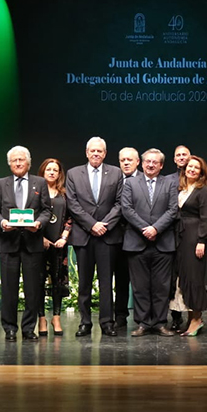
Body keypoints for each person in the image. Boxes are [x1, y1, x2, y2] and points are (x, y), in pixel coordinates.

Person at [65, 137, 124, 337]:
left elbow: (120, 203)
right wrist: (92, 225)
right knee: (84, 283)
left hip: (107, 235)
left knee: (107, 282)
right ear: (87, 152)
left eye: (100, 151)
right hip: (84, 235)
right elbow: (72, 204)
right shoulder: (73, 173)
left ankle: (107, 322)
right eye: (92, 151)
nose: (96, 154)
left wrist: (104, 225)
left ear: (105, 153)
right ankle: (85, 322)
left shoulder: (116, 173)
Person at [0, 146, 51, 341]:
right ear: (9, 164)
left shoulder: (40, 183)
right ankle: (9, 328)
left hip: (32, 243)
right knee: (9, 289)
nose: (18, 163)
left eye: (21, 160)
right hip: (8, 243)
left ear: (28, 162)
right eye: (14, 161)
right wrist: (2, 223)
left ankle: (28, 328)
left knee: (32, 289)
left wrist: (39, 224)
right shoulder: (0, 184)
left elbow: (46, 211)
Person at [121, 148, 180, 337]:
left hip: (163, 242)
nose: (151, 165)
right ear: (142, 163)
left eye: (155, 162)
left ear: (161, 165)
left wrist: (156, 229)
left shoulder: (170, 183)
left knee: (162, 286)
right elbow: (127, 209)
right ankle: (144, 323)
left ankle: (161, 323)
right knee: (140, 286)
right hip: (137, 241)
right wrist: (145, 228)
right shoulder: (130, 183)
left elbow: (173, 210)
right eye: (147, 161)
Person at [175, 155, 207, 336]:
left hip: (194, 238)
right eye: (189, 166)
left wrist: (202, 241)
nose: (191, 169)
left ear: (201, 172)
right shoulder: (181, 189)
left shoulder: (203, 190)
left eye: (196, 168)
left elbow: (206, 218)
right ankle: (191, 319)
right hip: (180, 238)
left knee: (194, 279)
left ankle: (197, 319)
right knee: (185, 279)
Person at [39, 157, 73, 336]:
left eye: (55, 170)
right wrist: (41, 238)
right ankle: (41, 318)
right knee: (38, 281)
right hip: (39, 244)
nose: (52, 172)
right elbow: (32, 216)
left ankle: (56, 317)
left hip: (59, 244)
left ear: (60, 174)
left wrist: (64, 237)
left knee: (58, 282)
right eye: (48, 169)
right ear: (42, 172)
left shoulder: (65, 194)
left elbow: (70, 217)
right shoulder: (35, 192)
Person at [114, 147, 141, 328]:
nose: (126, 163)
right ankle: (120, 316)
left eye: (130, 160)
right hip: (117, 236)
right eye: (123, 160)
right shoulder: (115, 180)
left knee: (141, 280)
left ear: (138, 162)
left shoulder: (144, 180)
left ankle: (143, 318)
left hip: (140, 235)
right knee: (121, 279)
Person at [165, 144, 191, 330]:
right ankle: (175, 317)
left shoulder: (198, 179)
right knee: (172, 276)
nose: (181, 157)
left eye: (185, 155)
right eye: (178, 155)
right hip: (170, 233)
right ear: (174, 159)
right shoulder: (167, 181)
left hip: (190, 234)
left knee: (188, 276)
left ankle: (193, 317)